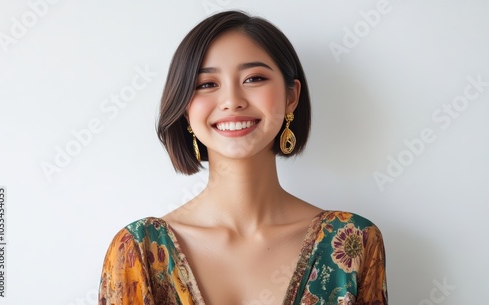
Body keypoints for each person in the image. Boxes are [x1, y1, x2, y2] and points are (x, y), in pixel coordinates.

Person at [98, 10, 387, 305]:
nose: (232, 101)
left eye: (254, 78)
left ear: (291, 96)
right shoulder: (138, 250)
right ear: (185, 107)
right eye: (207, 84)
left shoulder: (354, 241)